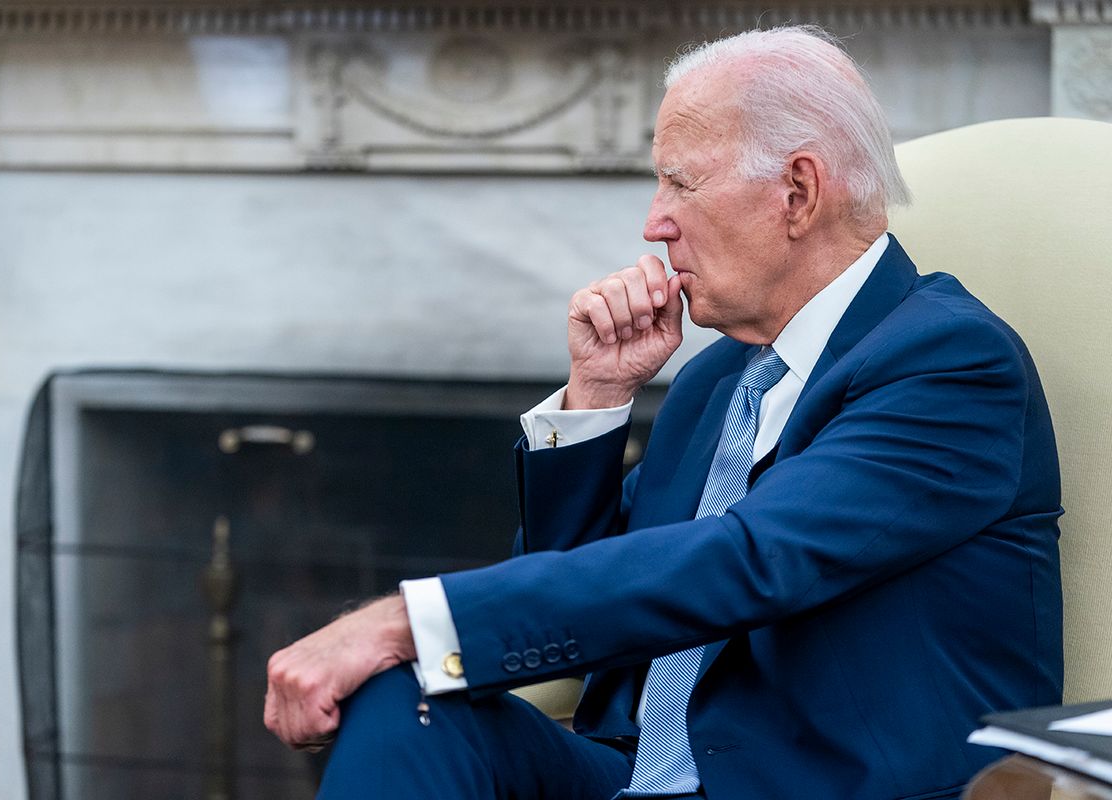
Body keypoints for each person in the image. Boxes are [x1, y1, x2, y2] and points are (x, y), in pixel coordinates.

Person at [264, 25, 1063, 799]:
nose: (654, 222)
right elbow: (584, 619)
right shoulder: (719, 380)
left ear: (798, 191)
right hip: (628, 771)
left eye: (681, 181)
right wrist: (598, 397)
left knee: (414, 651)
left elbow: (748, 562)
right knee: (410, 704)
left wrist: (405, 620)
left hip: (810, 786)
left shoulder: (950, 363)